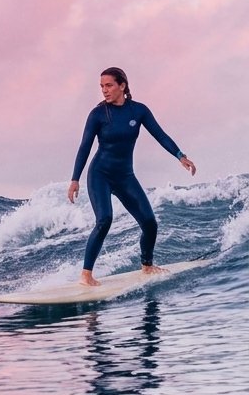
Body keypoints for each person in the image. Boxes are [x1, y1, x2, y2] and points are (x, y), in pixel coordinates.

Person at [67, 67, 196, 286]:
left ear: (122, 86)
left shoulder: (138, 111)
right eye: (101, 86)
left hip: (125, 176)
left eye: (108, 85)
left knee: (149, 222)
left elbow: (159, 134)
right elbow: (84, 147)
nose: (104, 91)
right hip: (100, 174)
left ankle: (147, 265)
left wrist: (180, 155)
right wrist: (74, 179)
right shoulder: (98, 114)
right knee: (104, 219)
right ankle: (86, 275)